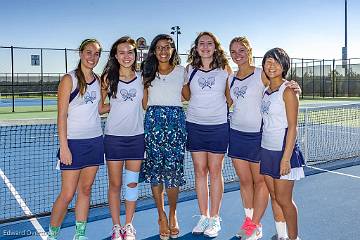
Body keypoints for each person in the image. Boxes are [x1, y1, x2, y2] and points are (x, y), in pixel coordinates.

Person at [228, 37, 301, 240]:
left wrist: (295, 88)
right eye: (233, 51)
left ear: (250, 51)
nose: (237, 55)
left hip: (271, 145)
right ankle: (268, 230)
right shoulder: (235, 79)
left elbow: (292, 121)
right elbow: (228, 100)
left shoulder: (267, 78)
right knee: (264, 190)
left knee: (281, 197)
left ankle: (284, 234)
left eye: (241, 50)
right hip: (254, 142)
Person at [48, 39, 103, 240]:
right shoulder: (68, 79)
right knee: (68, 193)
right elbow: (61, 115)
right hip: (73, 144)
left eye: (96, 54)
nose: (92, 57)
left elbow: (99, 109)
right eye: (88, 52)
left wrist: (122, 104)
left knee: (86, 190)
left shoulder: (99, 81)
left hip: (95, 142)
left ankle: (80, 234)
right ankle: (52, 235)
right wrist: (64, 147)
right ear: (80, 53)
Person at [183, 32, 232, 238]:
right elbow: (185, 95)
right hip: (194, 125)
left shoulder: (225, 70)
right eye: (201, 43)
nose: (205, 47)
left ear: (215, 47)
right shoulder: (189, 69)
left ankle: (214, 218)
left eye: (209, 43)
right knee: (199, 171)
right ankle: (203, 217)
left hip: (218, 126)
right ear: (196, 47)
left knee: (215, 171)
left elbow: (231, 98)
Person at [140, 34, 187, 240]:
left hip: (176, 122)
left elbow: (189, 96)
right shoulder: (146, 72)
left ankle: (173, 214)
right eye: (159, 47)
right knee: (156, 170)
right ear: (153, 51)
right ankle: (161, 216)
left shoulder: (182, 72)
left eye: (167, 47)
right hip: (154, 122)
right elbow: (143, 104)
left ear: (173, 50)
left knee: (173, 171)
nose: (163, 51)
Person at [100, 36, 146, 240]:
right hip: (113, 138)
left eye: (130, 52)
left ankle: (129, 225)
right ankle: (116, 227)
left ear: (135, 54)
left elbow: (145, 105)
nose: (126, 56)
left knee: (132, 184)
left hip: (136, 138)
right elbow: (100, 107)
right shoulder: (108, 78)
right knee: (115, 185)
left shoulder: (143, 77)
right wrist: (115, 106)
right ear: (115, 56)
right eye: (121, 52)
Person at [260, 48, 304, 240]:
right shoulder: (266, 89)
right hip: (266, 149)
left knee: (285, 200)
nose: (271, 65)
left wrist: (285, 159)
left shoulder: (288, 91)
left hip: (283, 152)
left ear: (284, 66)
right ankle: (282, 235)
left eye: (276, 62)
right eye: (268, 61)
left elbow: (293, 127)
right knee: (275, 197)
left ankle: (294, 238)